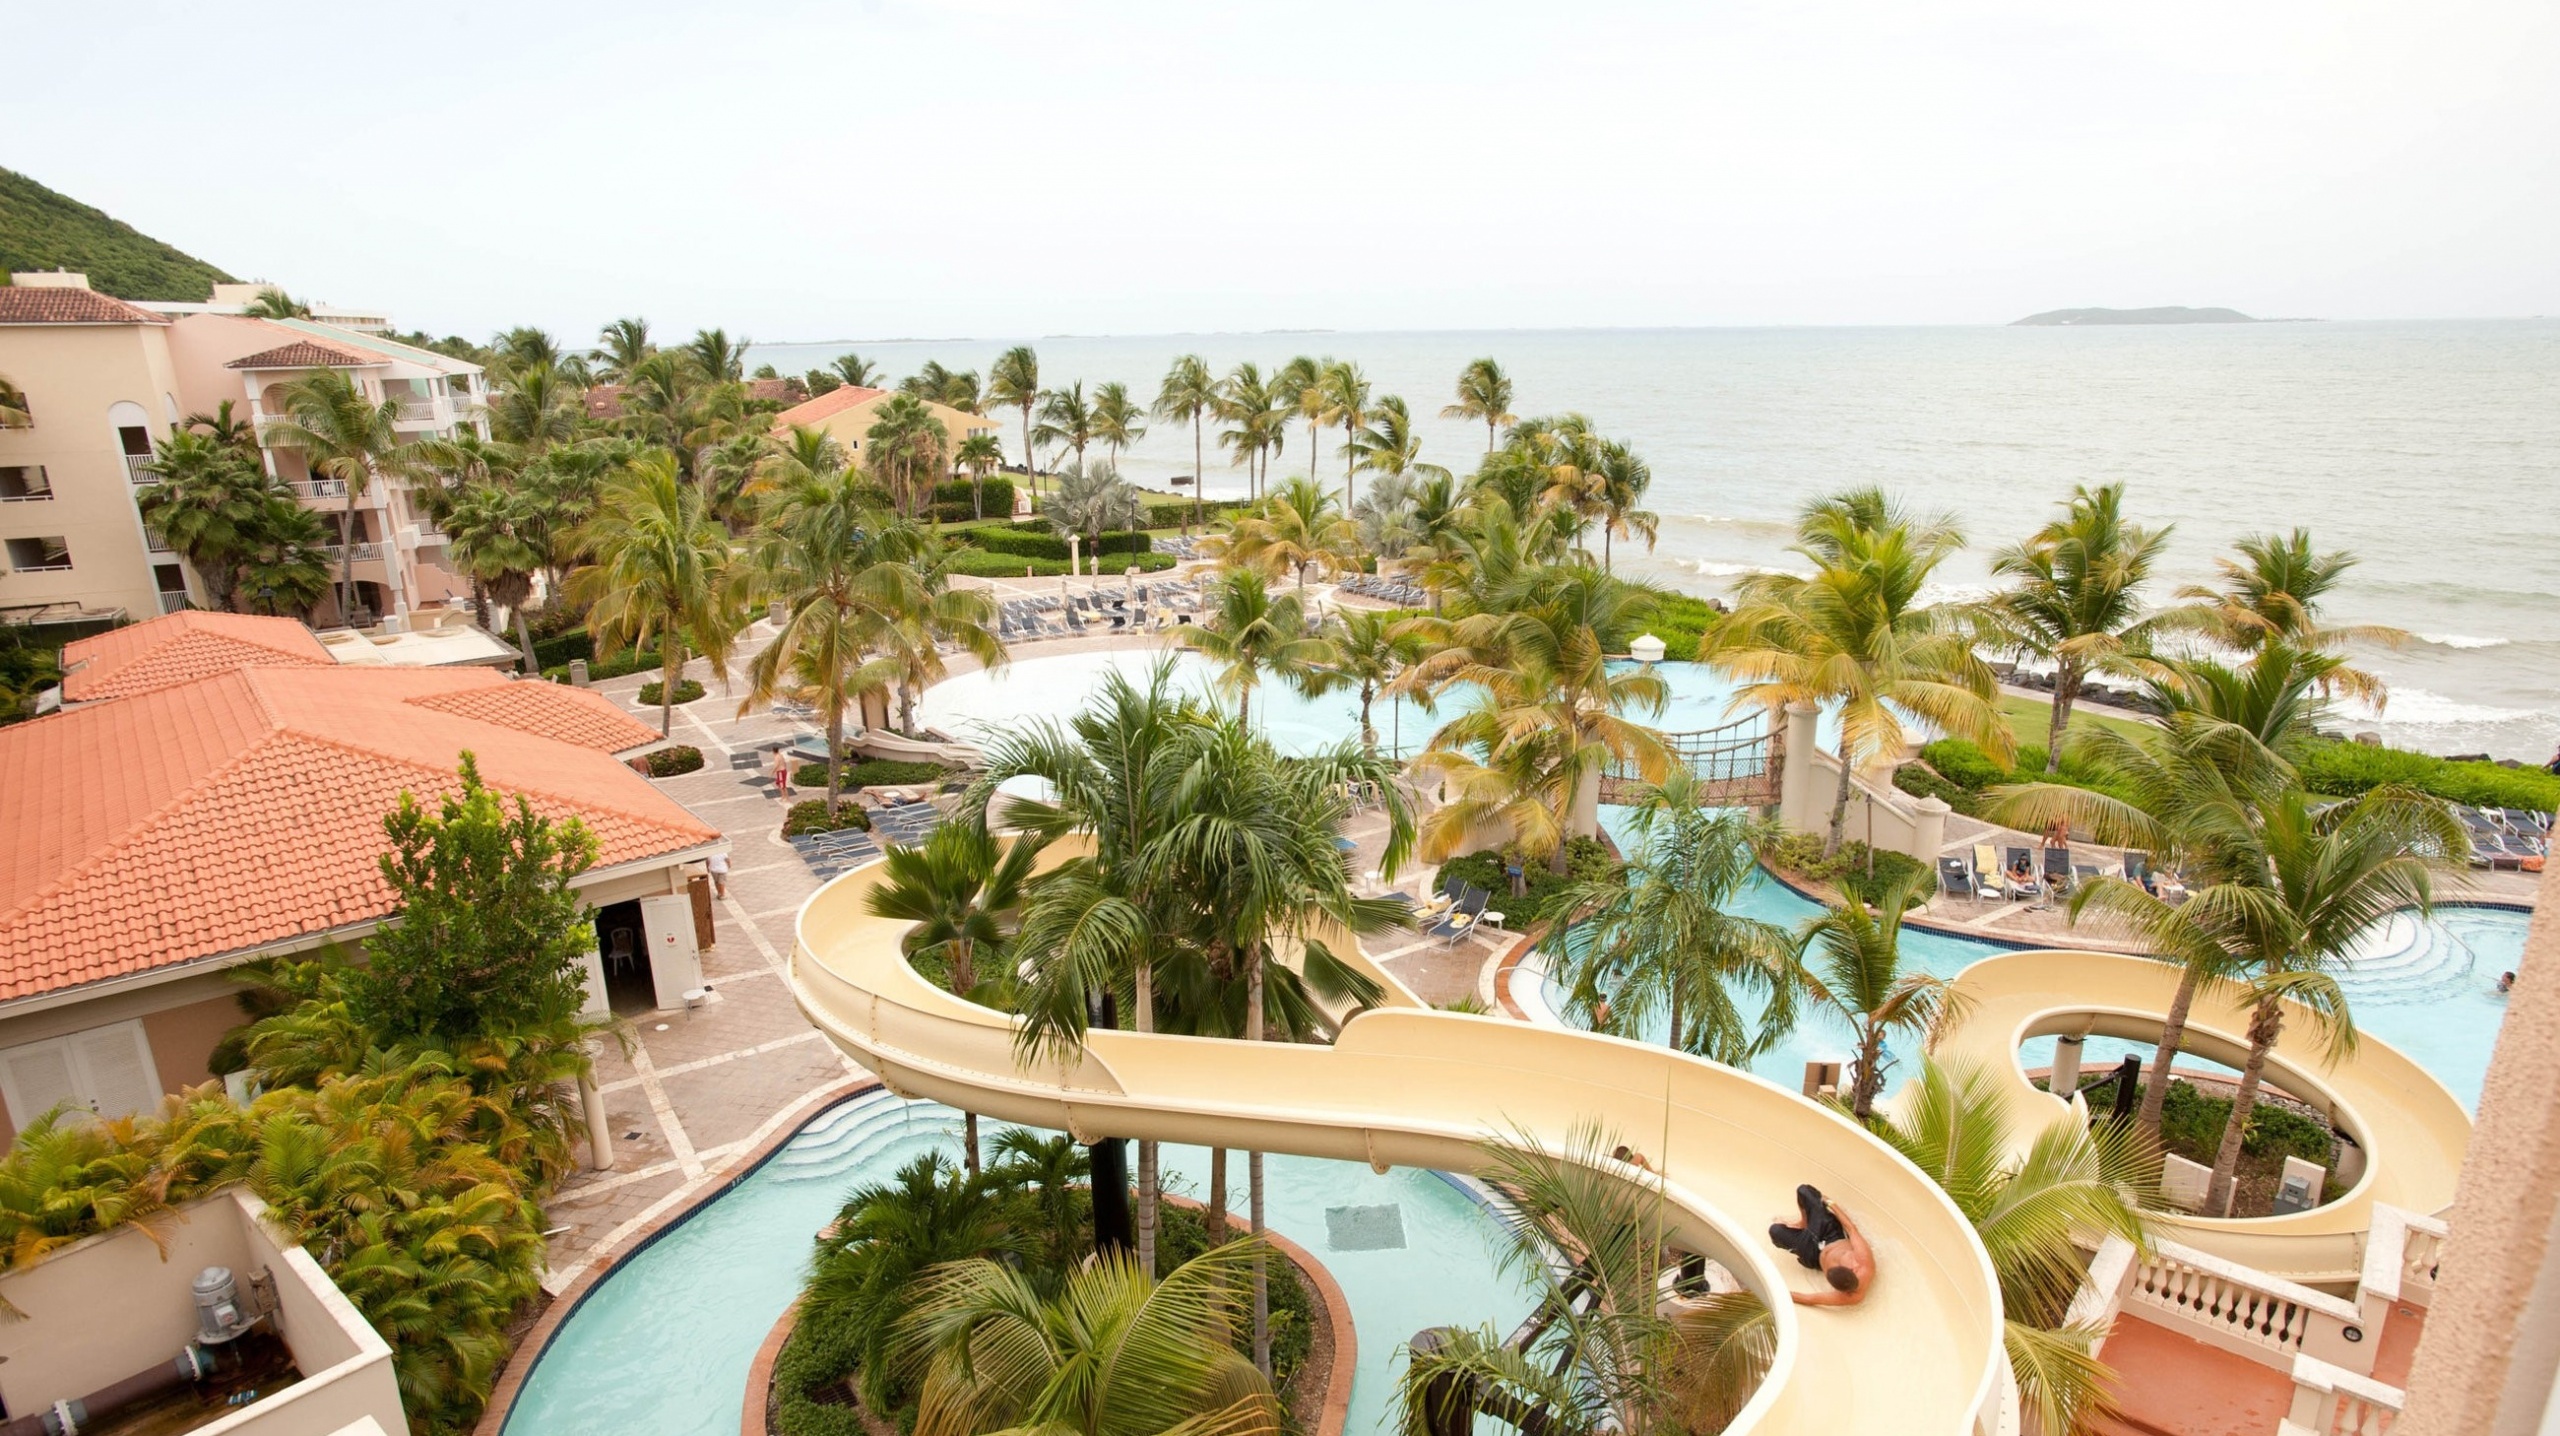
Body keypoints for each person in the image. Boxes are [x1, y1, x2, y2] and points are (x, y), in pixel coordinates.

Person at [1768, 1184, 1873, 1306]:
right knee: (1804, 1191)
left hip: (1814, 1255)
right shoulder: (1864, 1260)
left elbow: (1809, 1299)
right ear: (1853, 1269)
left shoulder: (1851, 1296)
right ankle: (1804, 1222)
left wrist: (1776, 1293)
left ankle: (1804, 1232)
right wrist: (1830, 1203)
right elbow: (1851, 1229)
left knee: (1775, 1231)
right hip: (1831, 1235)